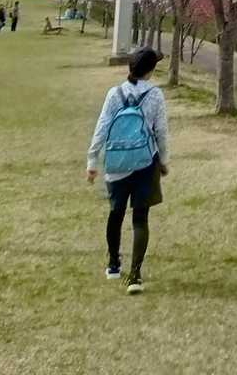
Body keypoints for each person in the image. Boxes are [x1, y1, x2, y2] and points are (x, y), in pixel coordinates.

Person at [86, 47, 170, 293]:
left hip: (117, 163)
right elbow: (161, 131)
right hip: (145, 162)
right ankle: (135, 275)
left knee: (116, 213)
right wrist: (164, 160)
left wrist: (92, 162)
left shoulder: (115, 93)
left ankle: (113, 264)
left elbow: (102, 127)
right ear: (150, 70)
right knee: (140, 218)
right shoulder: (155, 95)